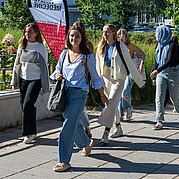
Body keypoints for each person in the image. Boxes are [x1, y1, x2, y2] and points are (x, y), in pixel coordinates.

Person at [50, 26, 108, 172]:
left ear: (82, 39)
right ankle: (86, 142)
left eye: (77, 36)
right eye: (71, 36)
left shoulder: (87, 56)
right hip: (64, 92)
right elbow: (57, 70)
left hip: (79, 93)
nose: (73, 39)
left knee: (68, 125)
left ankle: (63, 160)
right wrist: (56, 75)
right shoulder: (64, 54)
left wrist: (102, 94)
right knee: (73, 124)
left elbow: (95, 77)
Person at [96, 24, 145, 144]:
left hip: (119, 79)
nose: (105, 34)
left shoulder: (121, 46)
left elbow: (130, 64)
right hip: (106, 79)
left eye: (107, 32)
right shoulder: (101, 46)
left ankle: (106, 132)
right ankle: (118, 127)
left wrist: (139, 81)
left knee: (111, 102)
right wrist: (98, 79)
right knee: (114, 105)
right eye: (103, 32)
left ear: (113, 33)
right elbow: (97, 64)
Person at [11, 23, 50, 144]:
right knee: (25, 106)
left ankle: (28, 133)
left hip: (36, 80)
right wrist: (14, 81)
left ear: (36, 33)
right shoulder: (22, 46)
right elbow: (17, 64)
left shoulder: (40, 48)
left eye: (30, 32)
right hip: (23, 79)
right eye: (26, 32)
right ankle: (32, 131)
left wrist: (45, 85)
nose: (28, 34)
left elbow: (45, 68)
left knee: (28, 104)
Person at [150, 28, 179, 130]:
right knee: (159, 97)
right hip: (161, 73)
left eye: (157, 33)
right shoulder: (158, 46)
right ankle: (159, 121)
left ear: (162, 33)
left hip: (173, 72)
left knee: (174, 98)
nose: (155, 35)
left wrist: (157, 70)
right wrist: (153, 72)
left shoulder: (172, 45)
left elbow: (170, 61)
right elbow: (157, 62)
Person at [117, 28, 146, 121]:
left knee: (125, 91)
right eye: (118, 37)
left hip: (131, 72)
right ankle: (121, 114)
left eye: (122, 37)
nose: (120, 39)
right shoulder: (115, 46)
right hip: (120, 72)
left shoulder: (131, 46)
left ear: (126, 37)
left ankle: (129, 108)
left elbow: (143, 55)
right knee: (120, 93)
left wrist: (141, 64)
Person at [72, 21, 94, 138]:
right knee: (80, 108)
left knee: (80, 107)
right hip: (71, 81)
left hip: (84, 79)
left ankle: (85, 128)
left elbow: (91, 63)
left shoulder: (88, 45)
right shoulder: (70, 45)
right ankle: (85, 128)